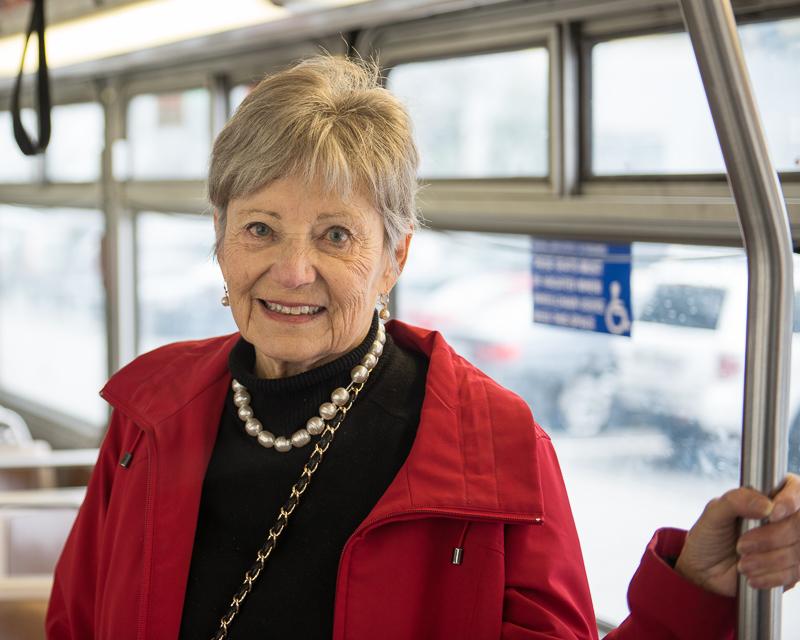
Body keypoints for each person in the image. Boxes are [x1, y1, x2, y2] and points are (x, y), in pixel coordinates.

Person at [46, 55, 800, 640]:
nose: (292, 270)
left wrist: (690, 596)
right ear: (220, 237)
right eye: (260, 227)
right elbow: (74, 625)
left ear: (394, 259)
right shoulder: (150, 413)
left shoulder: (492, 445)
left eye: (335, 235)